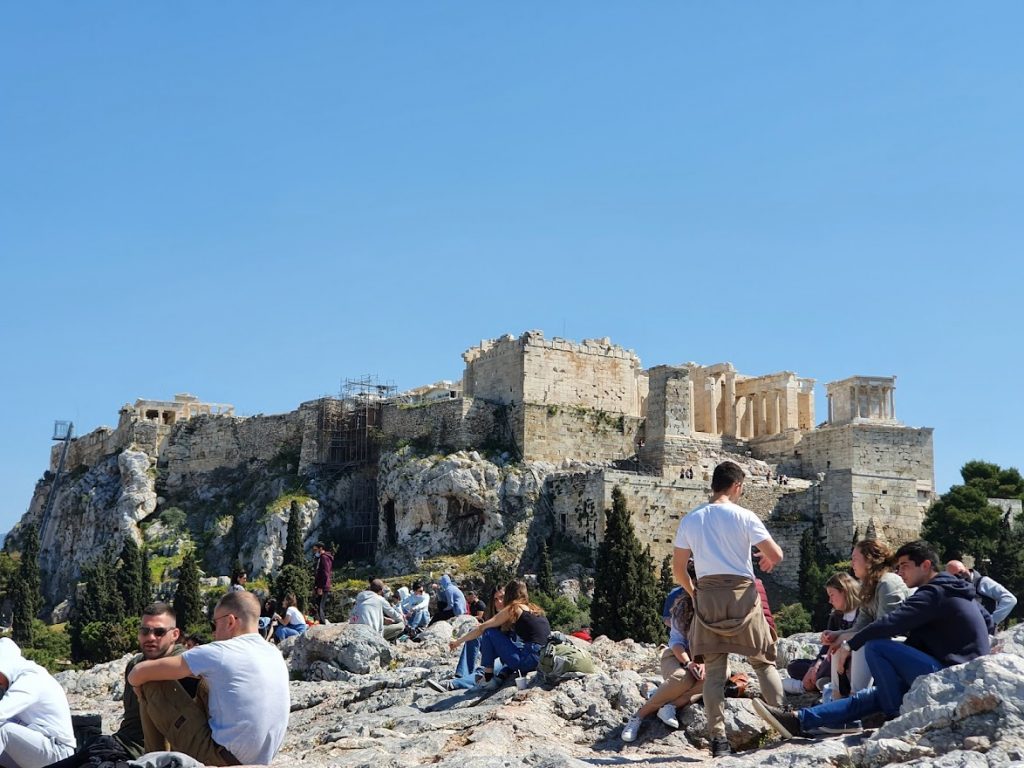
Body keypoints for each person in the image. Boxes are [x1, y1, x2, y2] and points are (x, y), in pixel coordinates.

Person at [754, 540, 994, 739]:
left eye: (905, 566)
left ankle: (893, 716)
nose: (900, 572)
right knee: (869, 697)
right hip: (955, 670)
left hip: (953, 675)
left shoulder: (934, 593)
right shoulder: (953, 589)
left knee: (877, 647)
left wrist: (849, 644)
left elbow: (890, 623)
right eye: (898, 566)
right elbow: (989, 621)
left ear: (926, 565)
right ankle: (800, 721)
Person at [672, 460, 784, 758]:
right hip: (742, 595)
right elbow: (776, 553)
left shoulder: (691, 519)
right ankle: (781, 717)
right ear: (736, 486)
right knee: (763, 660)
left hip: (707, 595)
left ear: (713, 485)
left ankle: (718, 739)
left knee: (716, 672)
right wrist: (768, 560)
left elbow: (679, 569)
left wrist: (693, 592)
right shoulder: (745, 516)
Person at [127, 590, 290, 766]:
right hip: (259, 760)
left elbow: (138, 673)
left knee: (151, 681)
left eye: (215, 624)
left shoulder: (219, 652)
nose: (213, 633)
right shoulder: (273, 653)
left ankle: (154, 760)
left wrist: (137, 685)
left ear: (230, 621)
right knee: (205, 683)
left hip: (219, 758)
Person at [47, 603, 202, 768]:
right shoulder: (135, 663)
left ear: (175, 634)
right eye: (145, 631)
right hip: (112, 745)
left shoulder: (184, 664)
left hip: (138, 756)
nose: (150, 637)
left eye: (159, 632)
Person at [622, 566, 705, 742]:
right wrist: (689, 663)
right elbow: (676, 641)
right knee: (683, 677)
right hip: (678, 655)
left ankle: (669, 705)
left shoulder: (718, 606)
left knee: (719, 675)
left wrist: (704, 662)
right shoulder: (682, 606)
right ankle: (638, 716)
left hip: (706, 658)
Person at [822, 540, 908, 693]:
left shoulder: (888, 583)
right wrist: (836, 635)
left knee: (860, 646)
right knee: (837, 645)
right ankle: (838, 697)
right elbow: (860, 626)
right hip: (880, 640)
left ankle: (857, 698)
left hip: (899, 643)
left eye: (855, 558)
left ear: (869, 559)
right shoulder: (868, 587)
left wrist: (848, 640)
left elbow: (886, 628)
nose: (852, 563)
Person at [449, 580, 550, 689]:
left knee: (488, 632)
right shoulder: (532, 609)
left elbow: (482, 628)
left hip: (527, 659)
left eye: (503, 597)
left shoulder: (514, 608)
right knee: (480, 636)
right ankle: (463, 675)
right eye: (496, 599)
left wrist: (457, 642)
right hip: (541, 657)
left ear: (508, 595)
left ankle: (485, 677)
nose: (500, 601)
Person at [0, 637, 75, 768]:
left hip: (58, 752)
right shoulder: (16, 679)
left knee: (3, 730)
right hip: (40, 745)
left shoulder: (31, 678)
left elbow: (2, 711)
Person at [784, 572, 860, 696]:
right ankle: (818, 679)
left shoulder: (862, 613)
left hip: (847, 661)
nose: (830, 600)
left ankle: (805, 686)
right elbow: (825, 647)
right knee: (794, 666)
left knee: (829, 665)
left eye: (832, 595)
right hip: (828, 659)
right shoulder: (836, 615)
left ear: (845, 591)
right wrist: (815, 666)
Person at [945, 560, 1017, 627]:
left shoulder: (982, 582)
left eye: (960, 571)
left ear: (966, 568)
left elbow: (1009, 599)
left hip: (985, 634)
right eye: (954, 576)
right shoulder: (955, 588)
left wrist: (991, 621)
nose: (959, 576)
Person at [312, 542, 334, 624]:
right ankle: (321, 621)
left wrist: (320, 587)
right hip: (321, 585)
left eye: (315, 549)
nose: (314, 551)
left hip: (323, 586)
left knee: (320, 605)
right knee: (318, 604)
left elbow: (325, 573)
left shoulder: (324, 557)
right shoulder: (321, 557)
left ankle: (322, 623)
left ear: (320, 548)